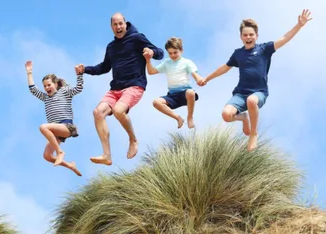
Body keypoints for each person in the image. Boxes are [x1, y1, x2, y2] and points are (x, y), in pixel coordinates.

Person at [199, 9, 312, 151]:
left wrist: (299, 25)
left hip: (259, 92)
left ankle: (253, 134)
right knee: (226, 115)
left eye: (251, 34)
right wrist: (207, 78)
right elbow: (225, 68)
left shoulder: (265, 49)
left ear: (256, 36)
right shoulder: (238, 53)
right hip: (240, 94)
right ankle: (244, 118)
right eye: (245, 35)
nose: (248, 37)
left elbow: (284, 38)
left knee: (252, 100)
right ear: (241, 36)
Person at [76, 12, 164, 165]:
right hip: (115, 89)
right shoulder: (111, 47)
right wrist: (85, 70)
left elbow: (160, 53)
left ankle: (133, 139)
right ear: (111, 27)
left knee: (118, 110)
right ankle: (107, 155)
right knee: (98, 113)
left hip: (135, 85)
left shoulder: (137, 38)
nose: (118, 27)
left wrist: (151, 52)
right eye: (115, 24)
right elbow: (104, 67)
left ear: (125, 23)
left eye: (120, 23)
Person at [25, 60, 84, 176]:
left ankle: (59, 152)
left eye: (49, 85)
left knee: (43, 127)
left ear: (55, 84)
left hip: (67, 127)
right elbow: (33, 89)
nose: (47, 87)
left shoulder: (64, 92)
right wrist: (29, 73)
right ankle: (70, 165)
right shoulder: (45, 97)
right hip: (57, 132)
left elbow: (78, 89)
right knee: (46, 156)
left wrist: (80, 75)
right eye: (45, 86)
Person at [144, 37, 203, 129]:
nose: (173, 55)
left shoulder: (186, 62)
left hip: (185, 94)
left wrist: (199, 79)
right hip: (172, 96)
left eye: (175, 52)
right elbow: (151, 72)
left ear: (181, 51)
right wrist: (148, 60)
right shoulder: (167, 63)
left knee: (191, 92)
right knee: (156, 102)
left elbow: (194, 74)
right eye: (170, 53)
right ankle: (178, 118)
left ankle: (190, 117)